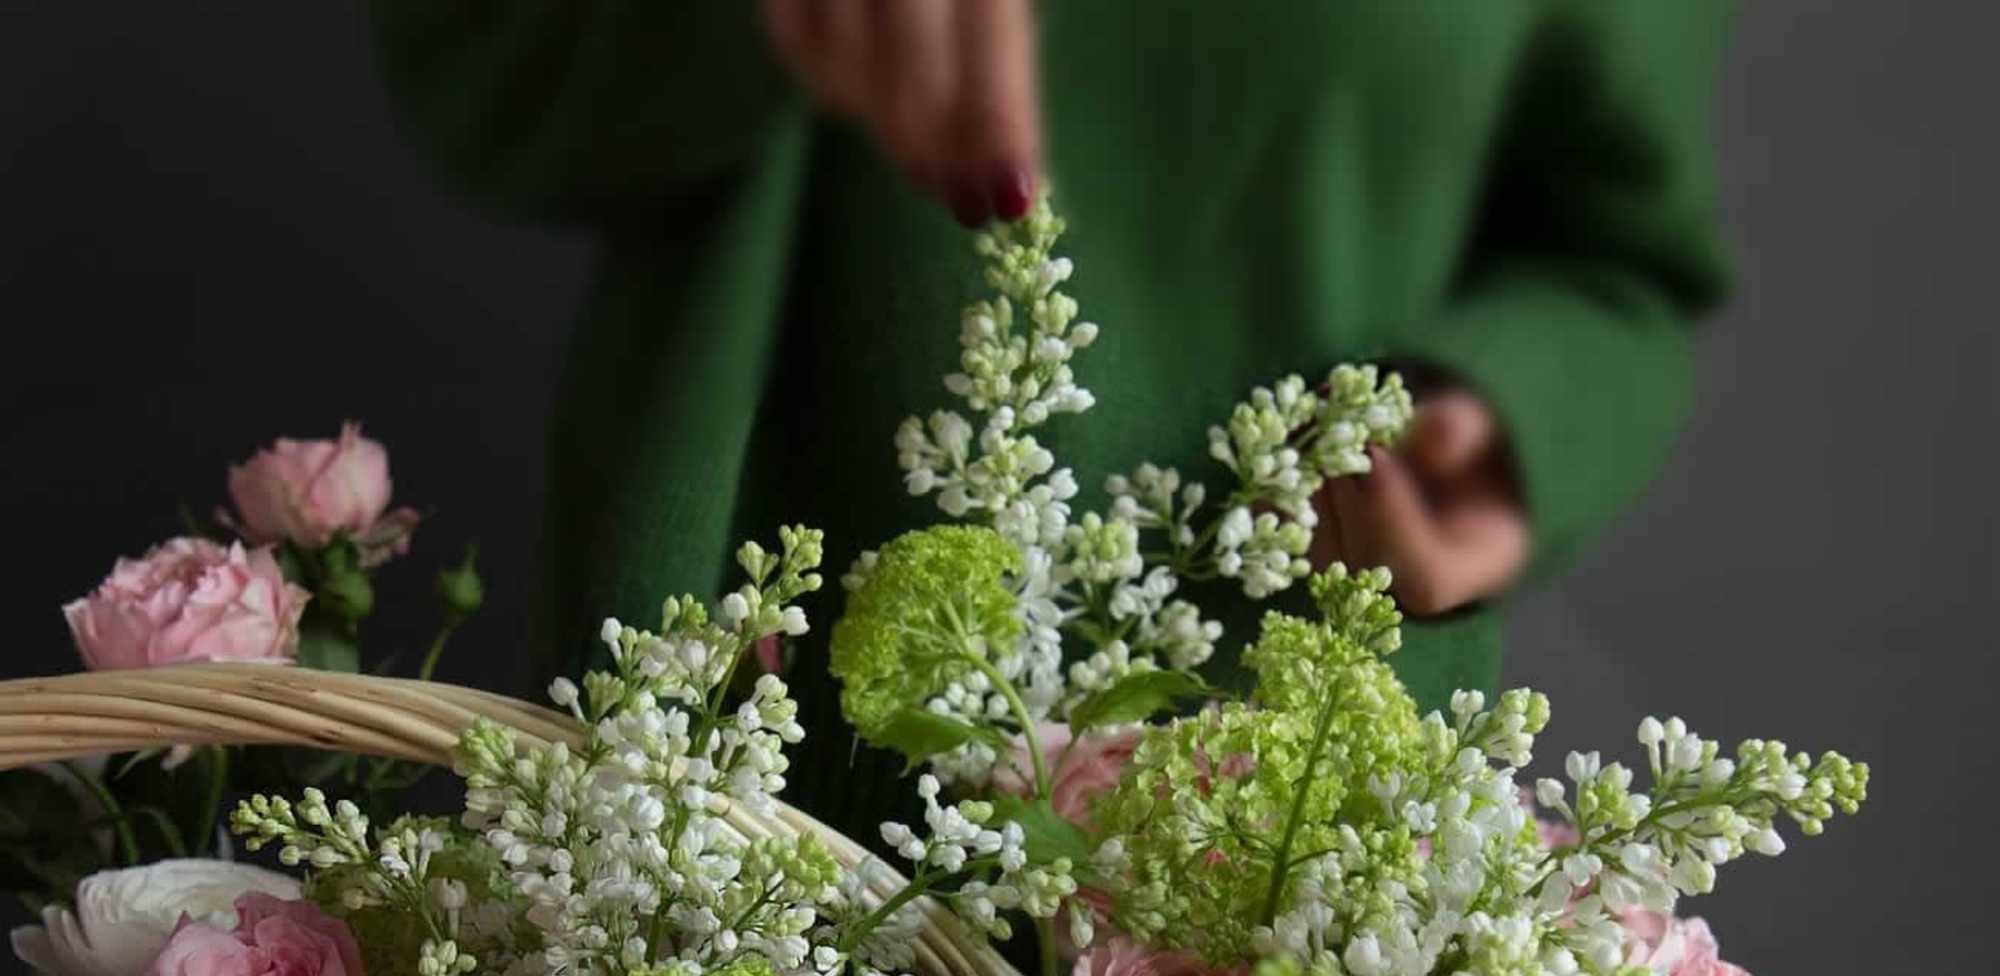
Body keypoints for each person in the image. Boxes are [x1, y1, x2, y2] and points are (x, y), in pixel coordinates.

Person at [370, 0, 1731, 840]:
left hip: (1298, 826)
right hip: (737, 744)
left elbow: (1621, 265)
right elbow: (484, 76)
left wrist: (1514, 419)